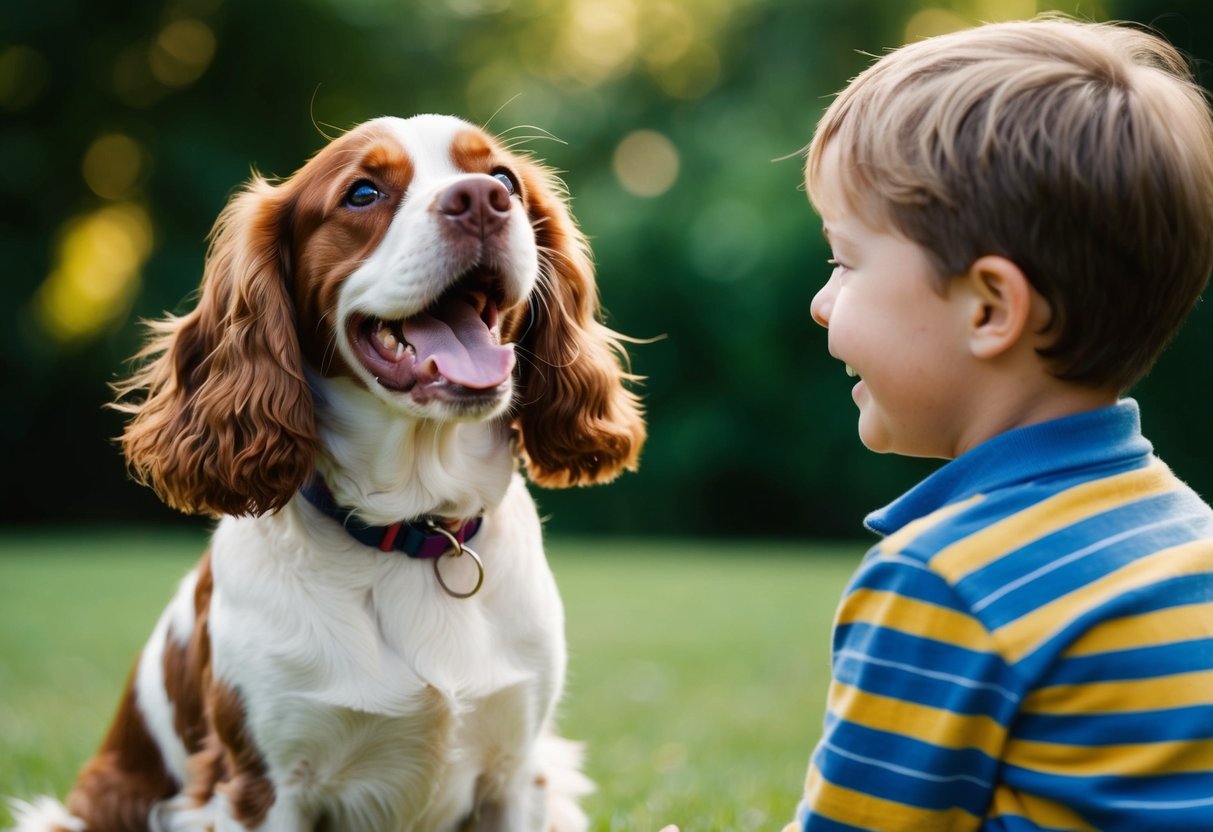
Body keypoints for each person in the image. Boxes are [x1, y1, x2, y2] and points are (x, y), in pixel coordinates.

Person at [668, 14, 1213, 832]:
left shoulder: (944, 582)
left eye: (844, 262)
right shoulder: (1187, 538)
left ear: (990, 307)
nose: (820, 305)